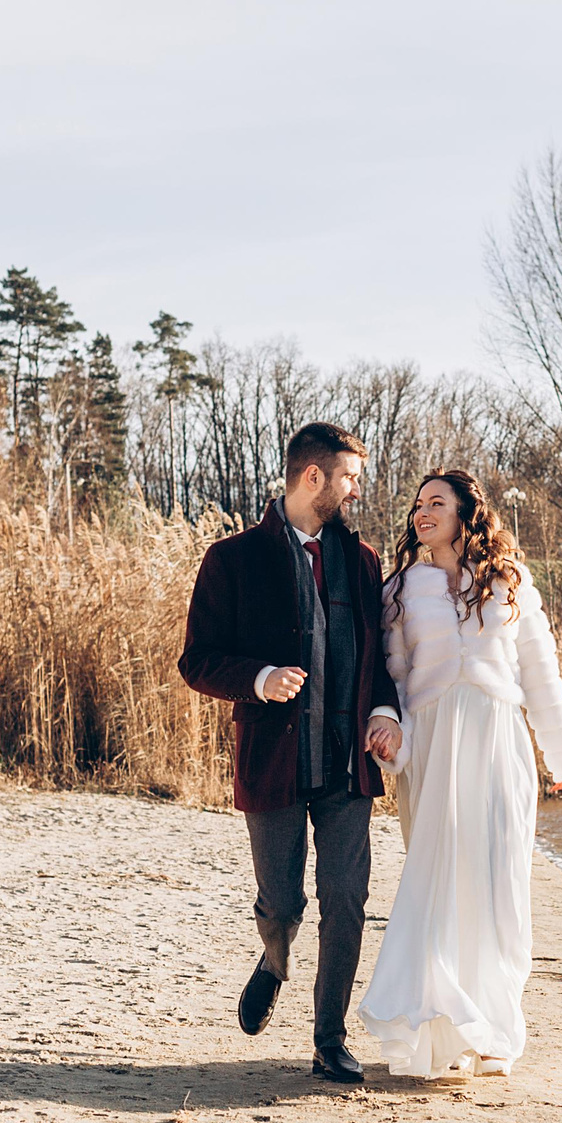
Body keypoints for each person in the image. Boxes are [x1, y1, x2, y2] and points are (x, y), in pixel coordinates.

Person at [177, 422, 403, 1083]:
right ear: (314, 477)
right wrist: (258, 679)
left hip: (346, 764)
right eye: (349, 478)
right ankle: (274, 960)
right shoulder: (232, 560)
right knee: (283, 903)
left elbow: (380, 660)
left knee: (346, 898)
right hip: (274, 762)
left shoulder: (363, 562)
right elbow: (197, 660)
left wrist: (385, 713)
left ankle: (328, 1039)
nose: (356, 491)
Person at [357, 469, 562, 1079]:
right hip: (433, 747)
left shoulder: (510, 582)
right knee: (438, 886)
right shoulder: (400, 591)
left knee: (497, 889)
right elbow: (391, 673)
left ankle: (493, 1028)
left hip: (498, 745)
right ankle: (439, 1033)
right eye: (417, 504)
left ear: (469, 513)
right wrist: (389, 725)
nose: (422, 512)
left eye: (437, 502)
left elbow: (542, 677)